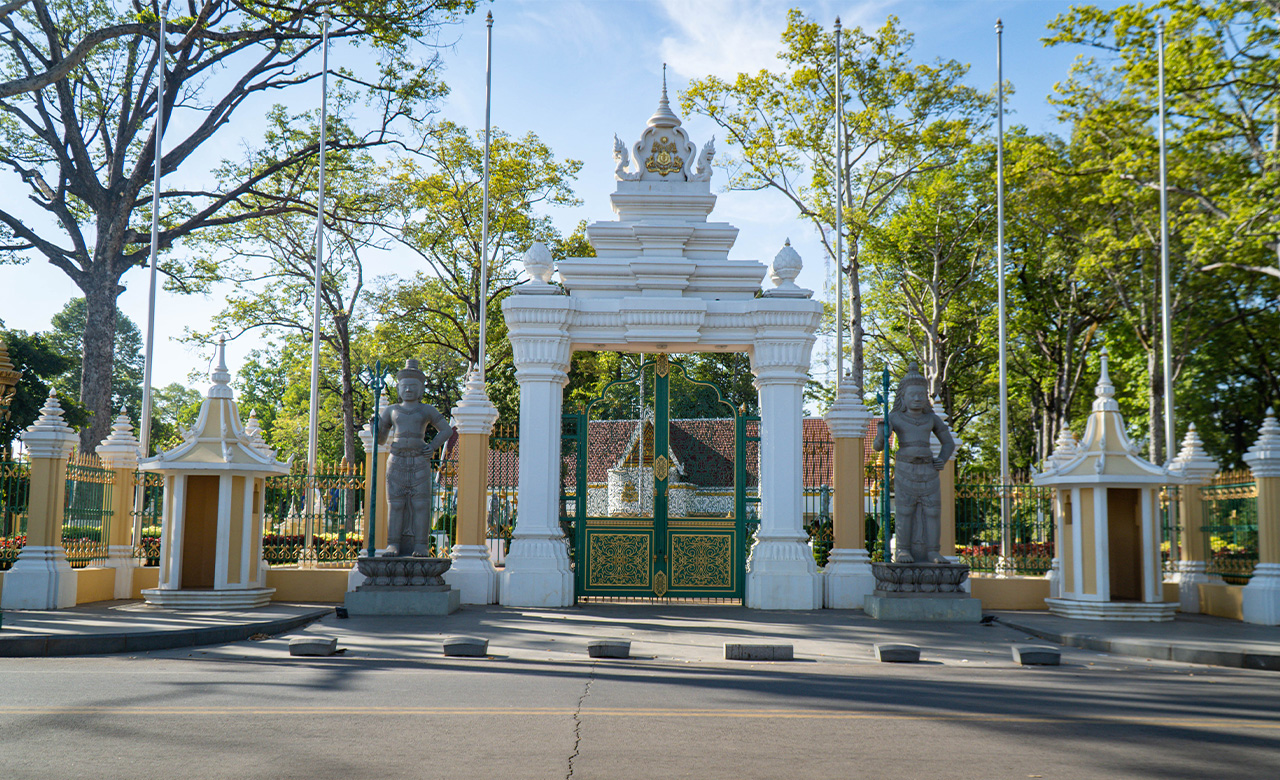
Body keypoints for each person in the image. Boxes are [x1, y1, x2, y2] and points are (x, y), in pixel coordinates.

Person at [872, 363, 955, 564]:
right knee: (904, 511)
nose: (917, 398)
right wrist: (882, 431)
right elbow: (877, 447)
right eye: (913, 395)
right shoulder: (895, 417)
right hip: (905, 468)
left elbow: (949, 443)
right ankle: (903, 550)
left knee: (933, 512)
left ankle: (933, 551)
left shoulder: (931, 419)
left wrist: (941, 460)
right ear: (903, 397)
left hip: (928, 469)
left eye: (921, 394)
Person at [376, 360, 454, 557]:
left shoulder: (426, 410)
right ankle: (393, 544)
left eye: (413, 386)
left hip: (419, 460)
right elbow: (381, 439)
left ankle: (420, 545)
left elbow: (445, 430)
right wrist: (376, 426)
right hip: (396, 460)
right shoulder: (391, 410)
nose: (408, 389)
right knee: (396, 504)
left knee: (421, 504)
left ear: (420, 390)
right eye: (404, 386)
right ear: (398, 389)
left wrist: (432, 447)